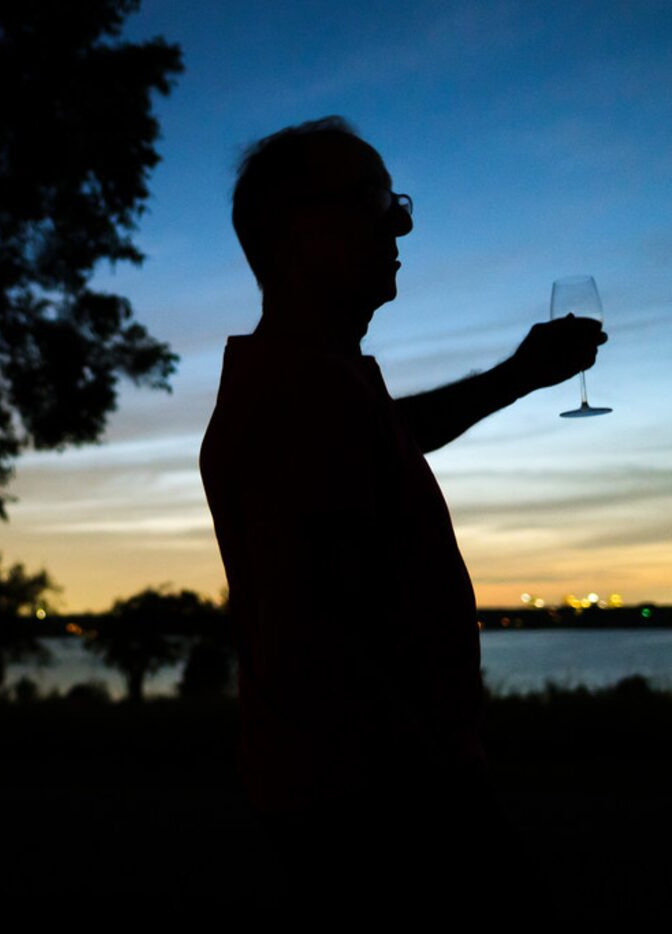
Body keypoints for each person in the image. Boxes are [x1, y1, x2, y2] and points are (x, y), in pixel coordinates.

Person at [199, 117, 605, 919]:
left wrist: (518, 377)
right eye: (377, 200)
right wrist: (441, 782)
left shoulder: (320, 382)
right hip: (378, 801)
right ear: (299, 229)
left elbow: (394, 435)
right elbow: (309, 642)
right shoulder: (294, 393)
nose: (404, 223)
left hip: (370, 787)